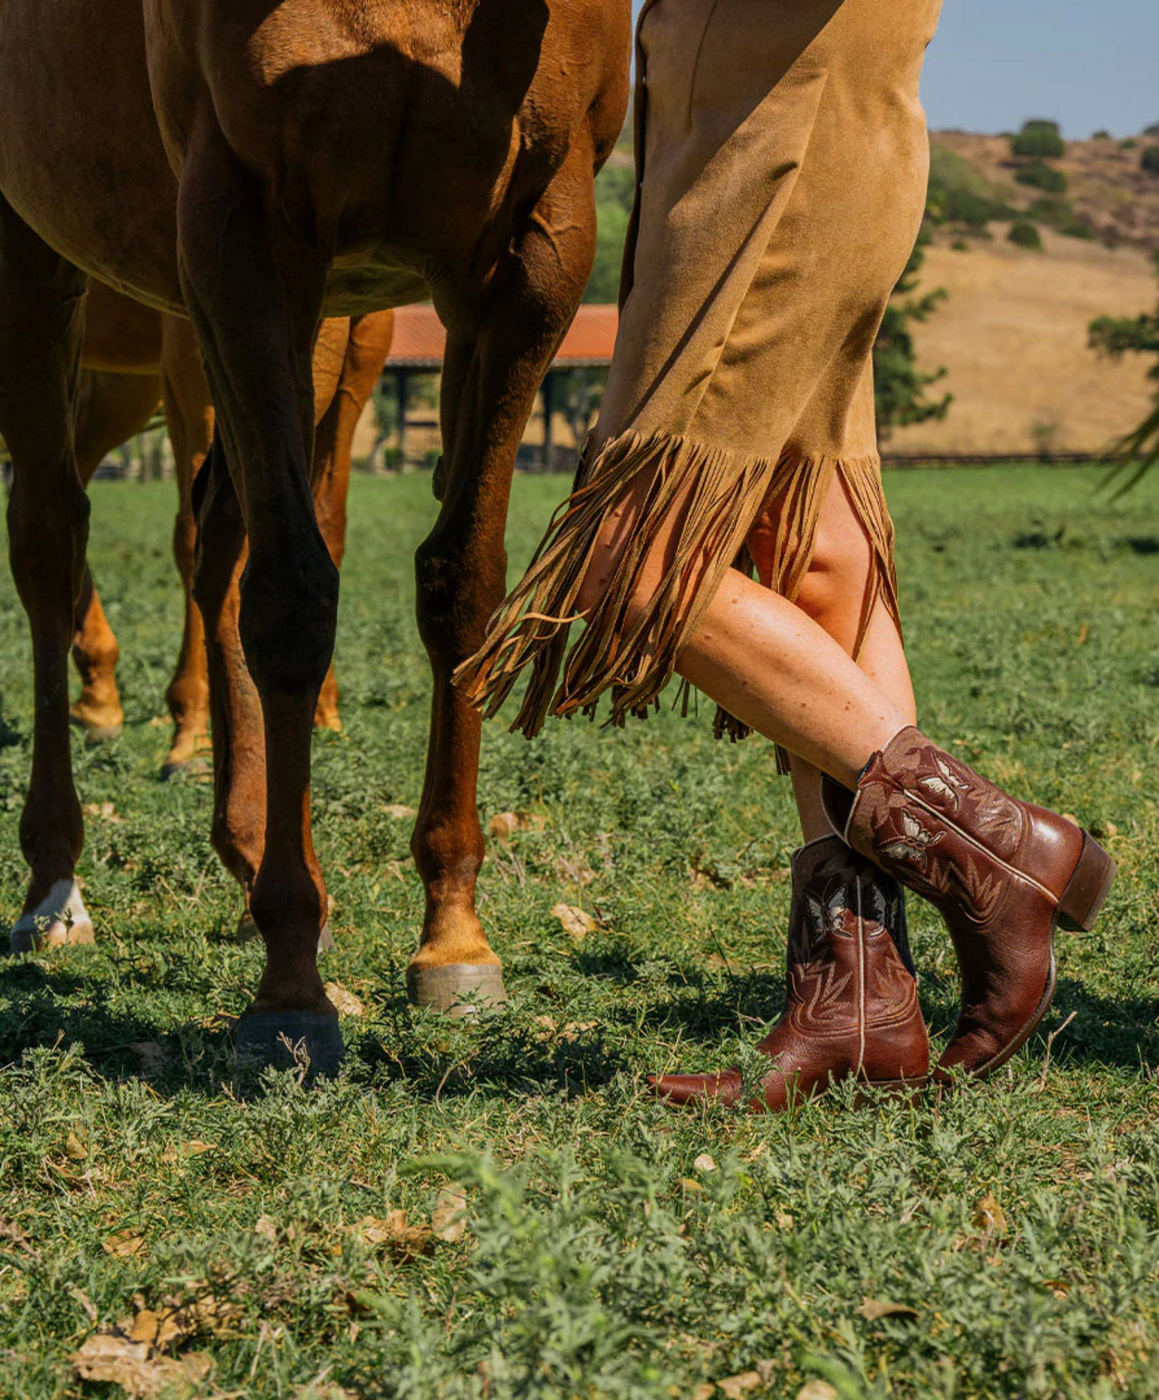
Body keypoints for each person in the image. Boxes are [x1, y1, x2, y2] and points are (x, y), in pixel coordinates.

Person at [457, 0, 1115, 1109]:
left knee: (630, 558)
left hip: (778, 107)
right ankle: (855, 995)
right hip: (781, 99)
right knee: (812, 543)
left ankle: (996, 853)